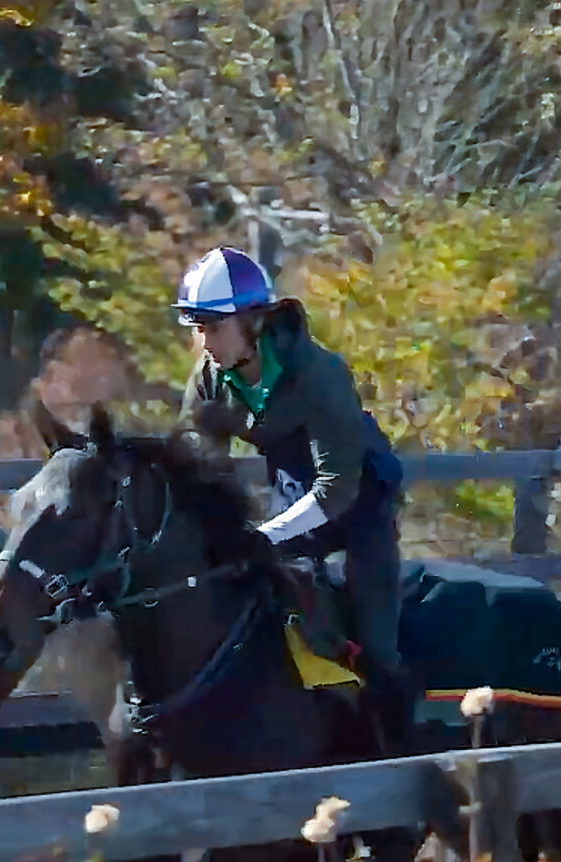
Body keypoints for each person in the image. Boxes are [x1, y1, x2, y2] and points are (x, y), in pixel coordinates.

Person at [174, 246, 413, 749]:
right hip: (292, 501)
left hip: (360, 507)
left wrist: (262, 535)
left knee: (378, 645)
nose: (204, 342)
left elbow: (336, 489)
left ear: (254, 322)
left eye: (213, 327)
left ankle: (401, 756)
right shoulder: (210, 380)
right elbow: (198, 468)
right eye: (197, 328)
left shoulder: (320, 375)